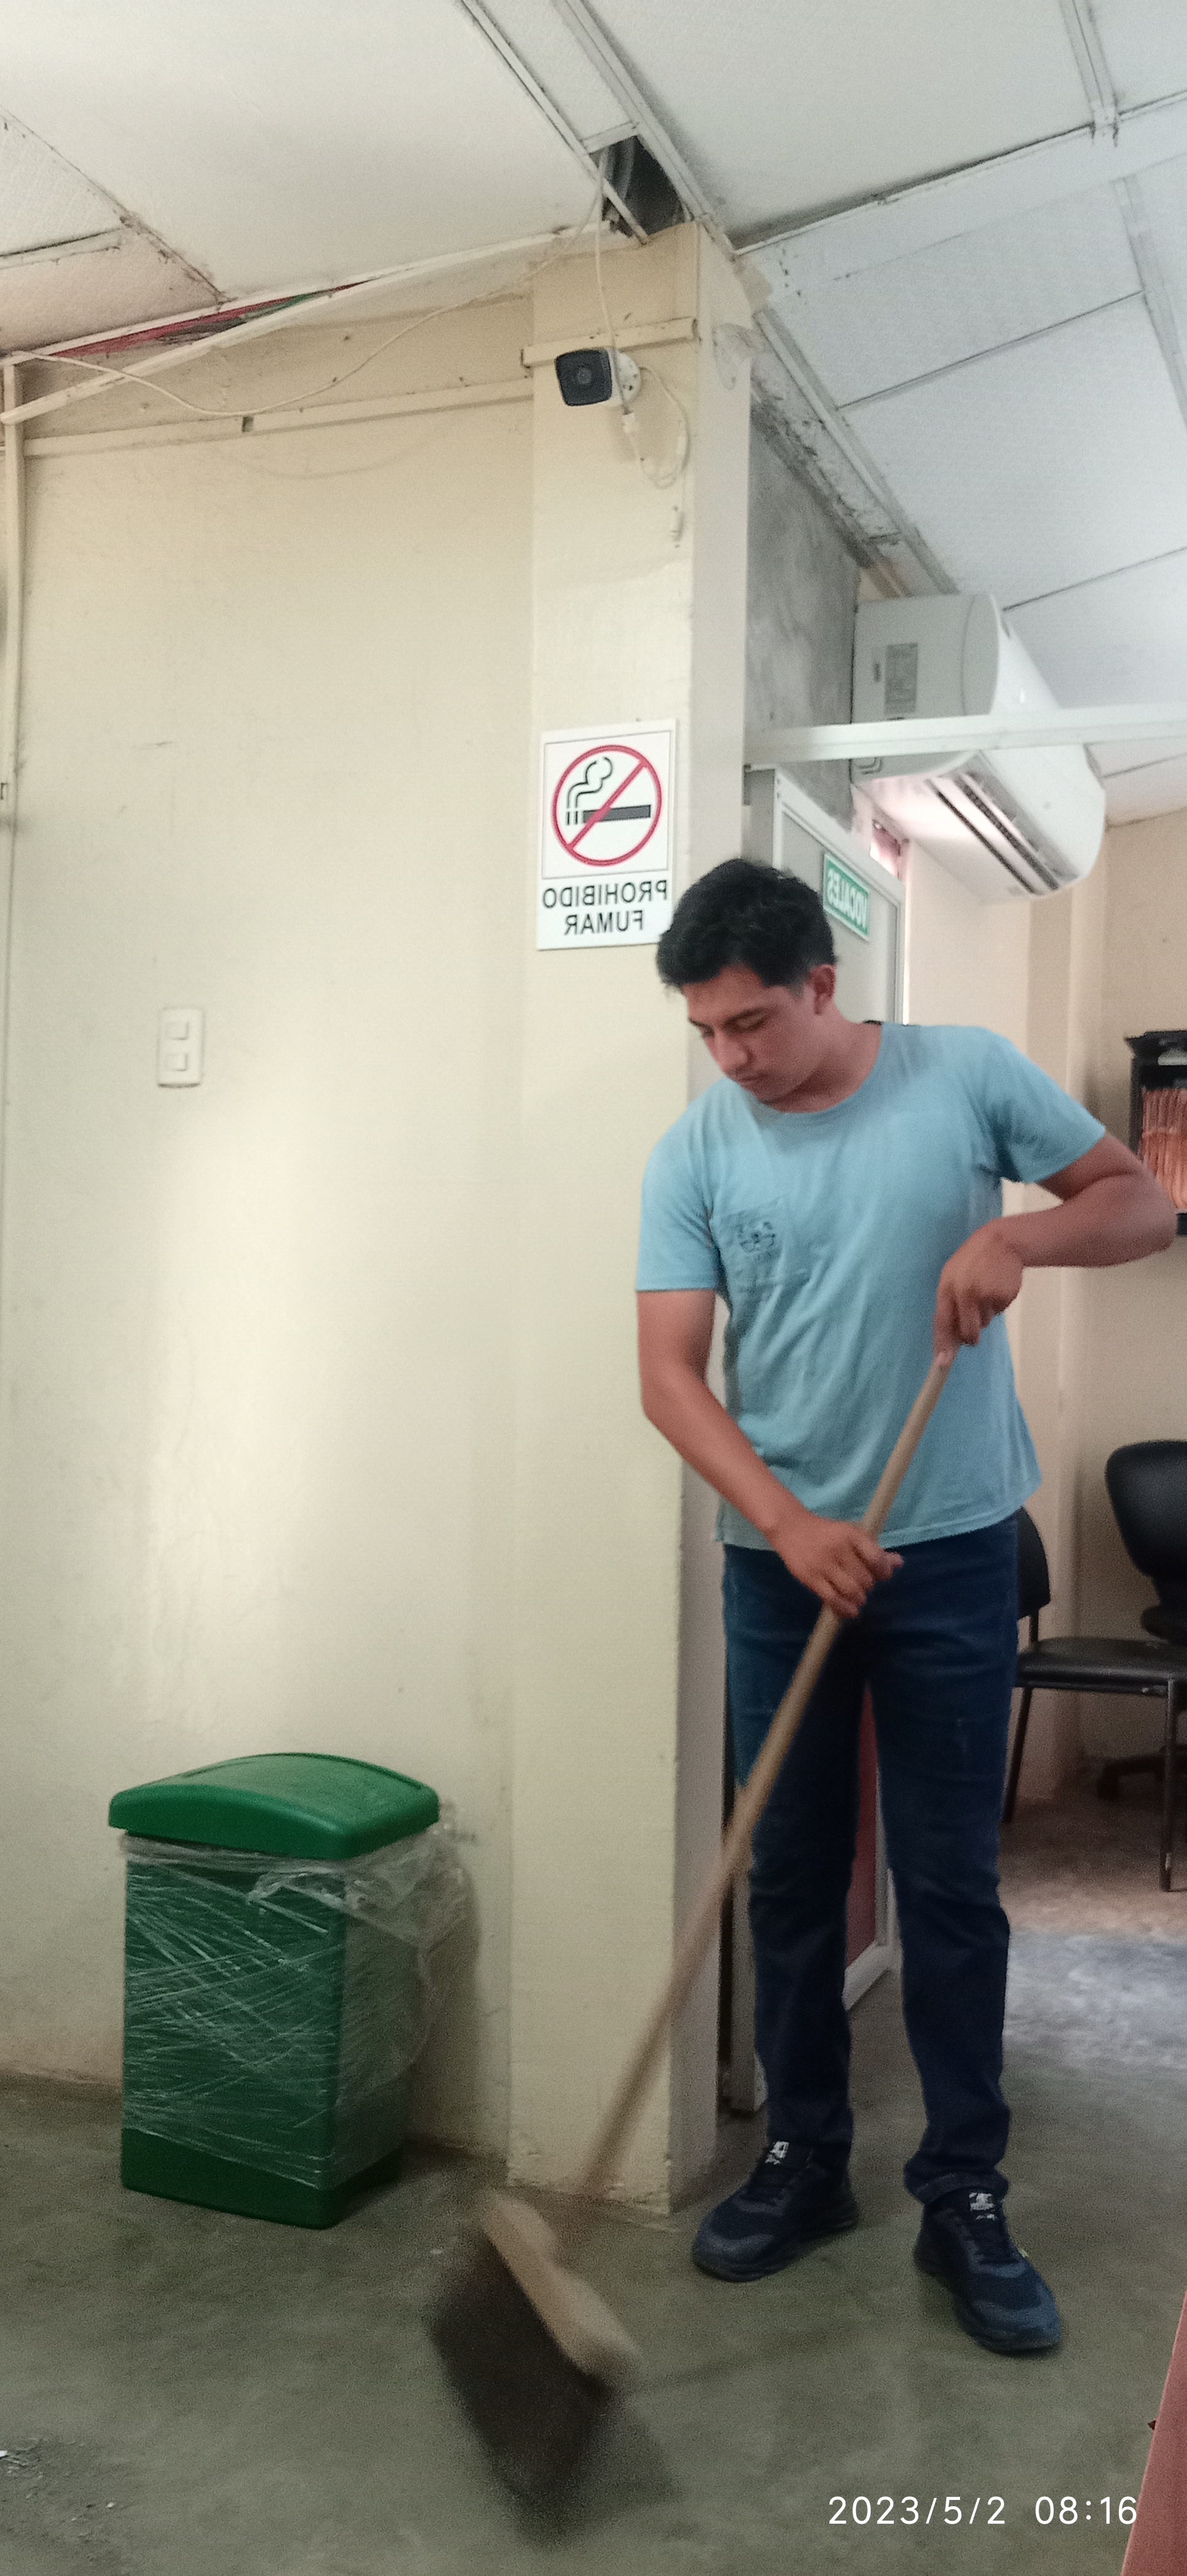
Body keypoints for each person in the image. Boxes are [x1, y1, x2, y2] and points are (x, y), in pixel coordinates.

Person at [636, 858, 1174, 2355]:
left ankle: (962, 2191)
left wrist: (1016, 1236)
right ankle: (802, 2155)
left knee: (945, 1885)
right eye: (706, 1031)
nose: (731, 1055)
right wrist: (785, 1523)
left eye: (751, 1021)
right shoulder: (694, 1150)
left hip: (946, 1551)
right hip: (779, 1560)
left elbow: (1137, 1201)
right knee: (790, 1873)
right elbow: (668, 1376)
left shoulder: (963, 1077)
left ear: (822, 983)